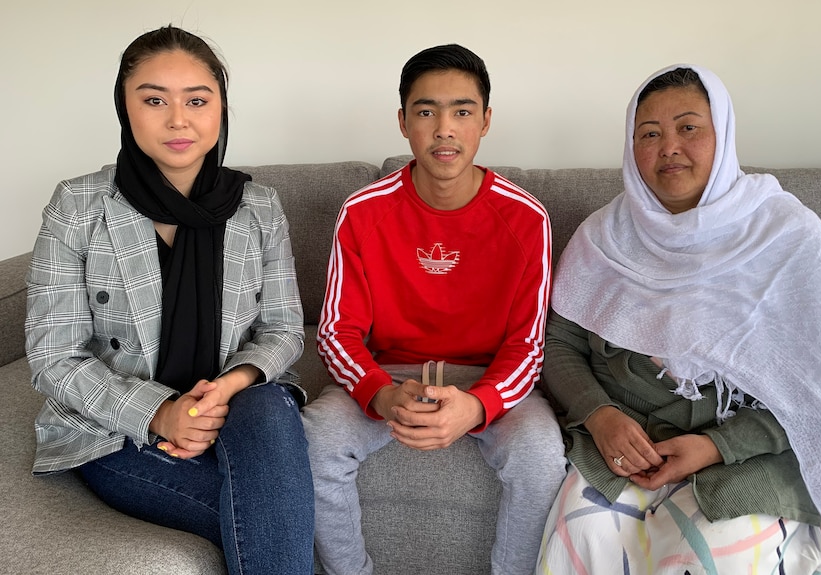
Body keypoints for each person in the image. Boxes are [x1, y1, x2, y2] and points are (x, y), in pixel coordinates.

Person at [536, 64, 821, 575]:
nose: (668, 146)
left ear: (723, 135)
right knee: (582, 542)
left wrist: (717, 445)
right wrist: (599, 416)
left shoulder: (789, 235)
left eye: (688, 127)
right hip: (623, 449)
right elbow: (558, 343)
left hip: (750, 456)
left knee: (713, 559)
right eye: (649, 134)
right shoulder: (604, 238)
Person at [24, 25, 314, 574]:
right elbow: (53, 355)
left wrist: (226, 387)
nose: (178, 120)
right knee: (272, 515)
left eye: (197, 101)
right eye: (154, 100)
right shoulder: (79, 204)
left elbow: (282, 329)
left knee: (269, 413)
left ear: (220, 109)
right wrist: (159, 412)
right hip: (116, 432)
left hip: (231, 407)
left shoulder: (258, 206)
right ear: (124, 108)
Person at [301, 43, 567, 574]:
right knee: (317, 435)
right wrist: (379, 394)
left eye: (462, 111)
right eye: (426, 111)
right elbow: (336, 331)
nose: (444, 128)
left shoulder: (527, 218)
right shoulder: (363, 211)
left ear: (485, 121)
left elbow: (528, 345)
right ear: (403, 122)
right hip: (389, 372)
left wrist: (480, 404)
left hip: (485, 376)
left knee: (540, 454)